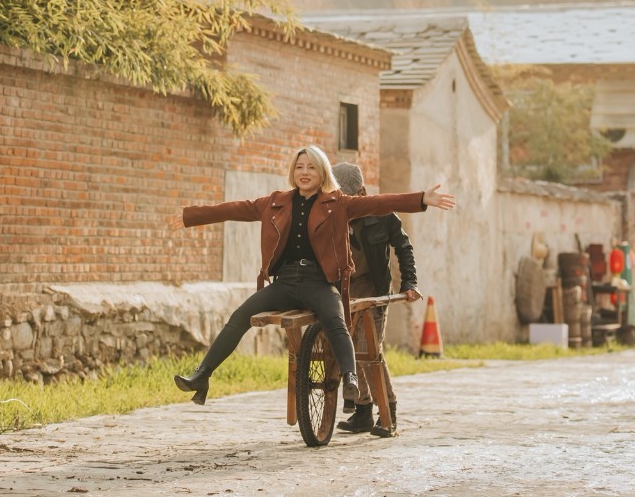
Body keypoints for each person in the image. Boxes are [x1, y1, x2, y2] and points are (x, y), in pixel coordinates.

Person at [171, 144, 455, 406]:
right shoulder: (275, 202)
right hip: (284, 284)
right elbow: (233, 208)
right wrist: (189, 216)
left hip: (319, 283)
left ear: (322, 173)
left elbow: (380, 202)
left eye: (311, 167)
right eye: (299, 167)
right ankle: (202, 375)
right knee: (239, 316)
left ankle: (350, 380)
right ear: (292, 172)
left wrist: (421, 198)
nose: (304, 172)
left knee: (336, 321)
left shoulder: (339, 203)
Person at [332, 161, 419, 438]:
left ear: (361, 192)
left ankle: (388, 411)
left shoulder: (382, 213)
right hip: (343, 287)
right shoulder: (330, 213)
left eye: (348, 196)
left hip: (374, 285)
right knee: (348, 349)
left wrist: (409, 283)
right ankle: (363, 411)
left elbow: (404, 247)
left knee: (369, 350)